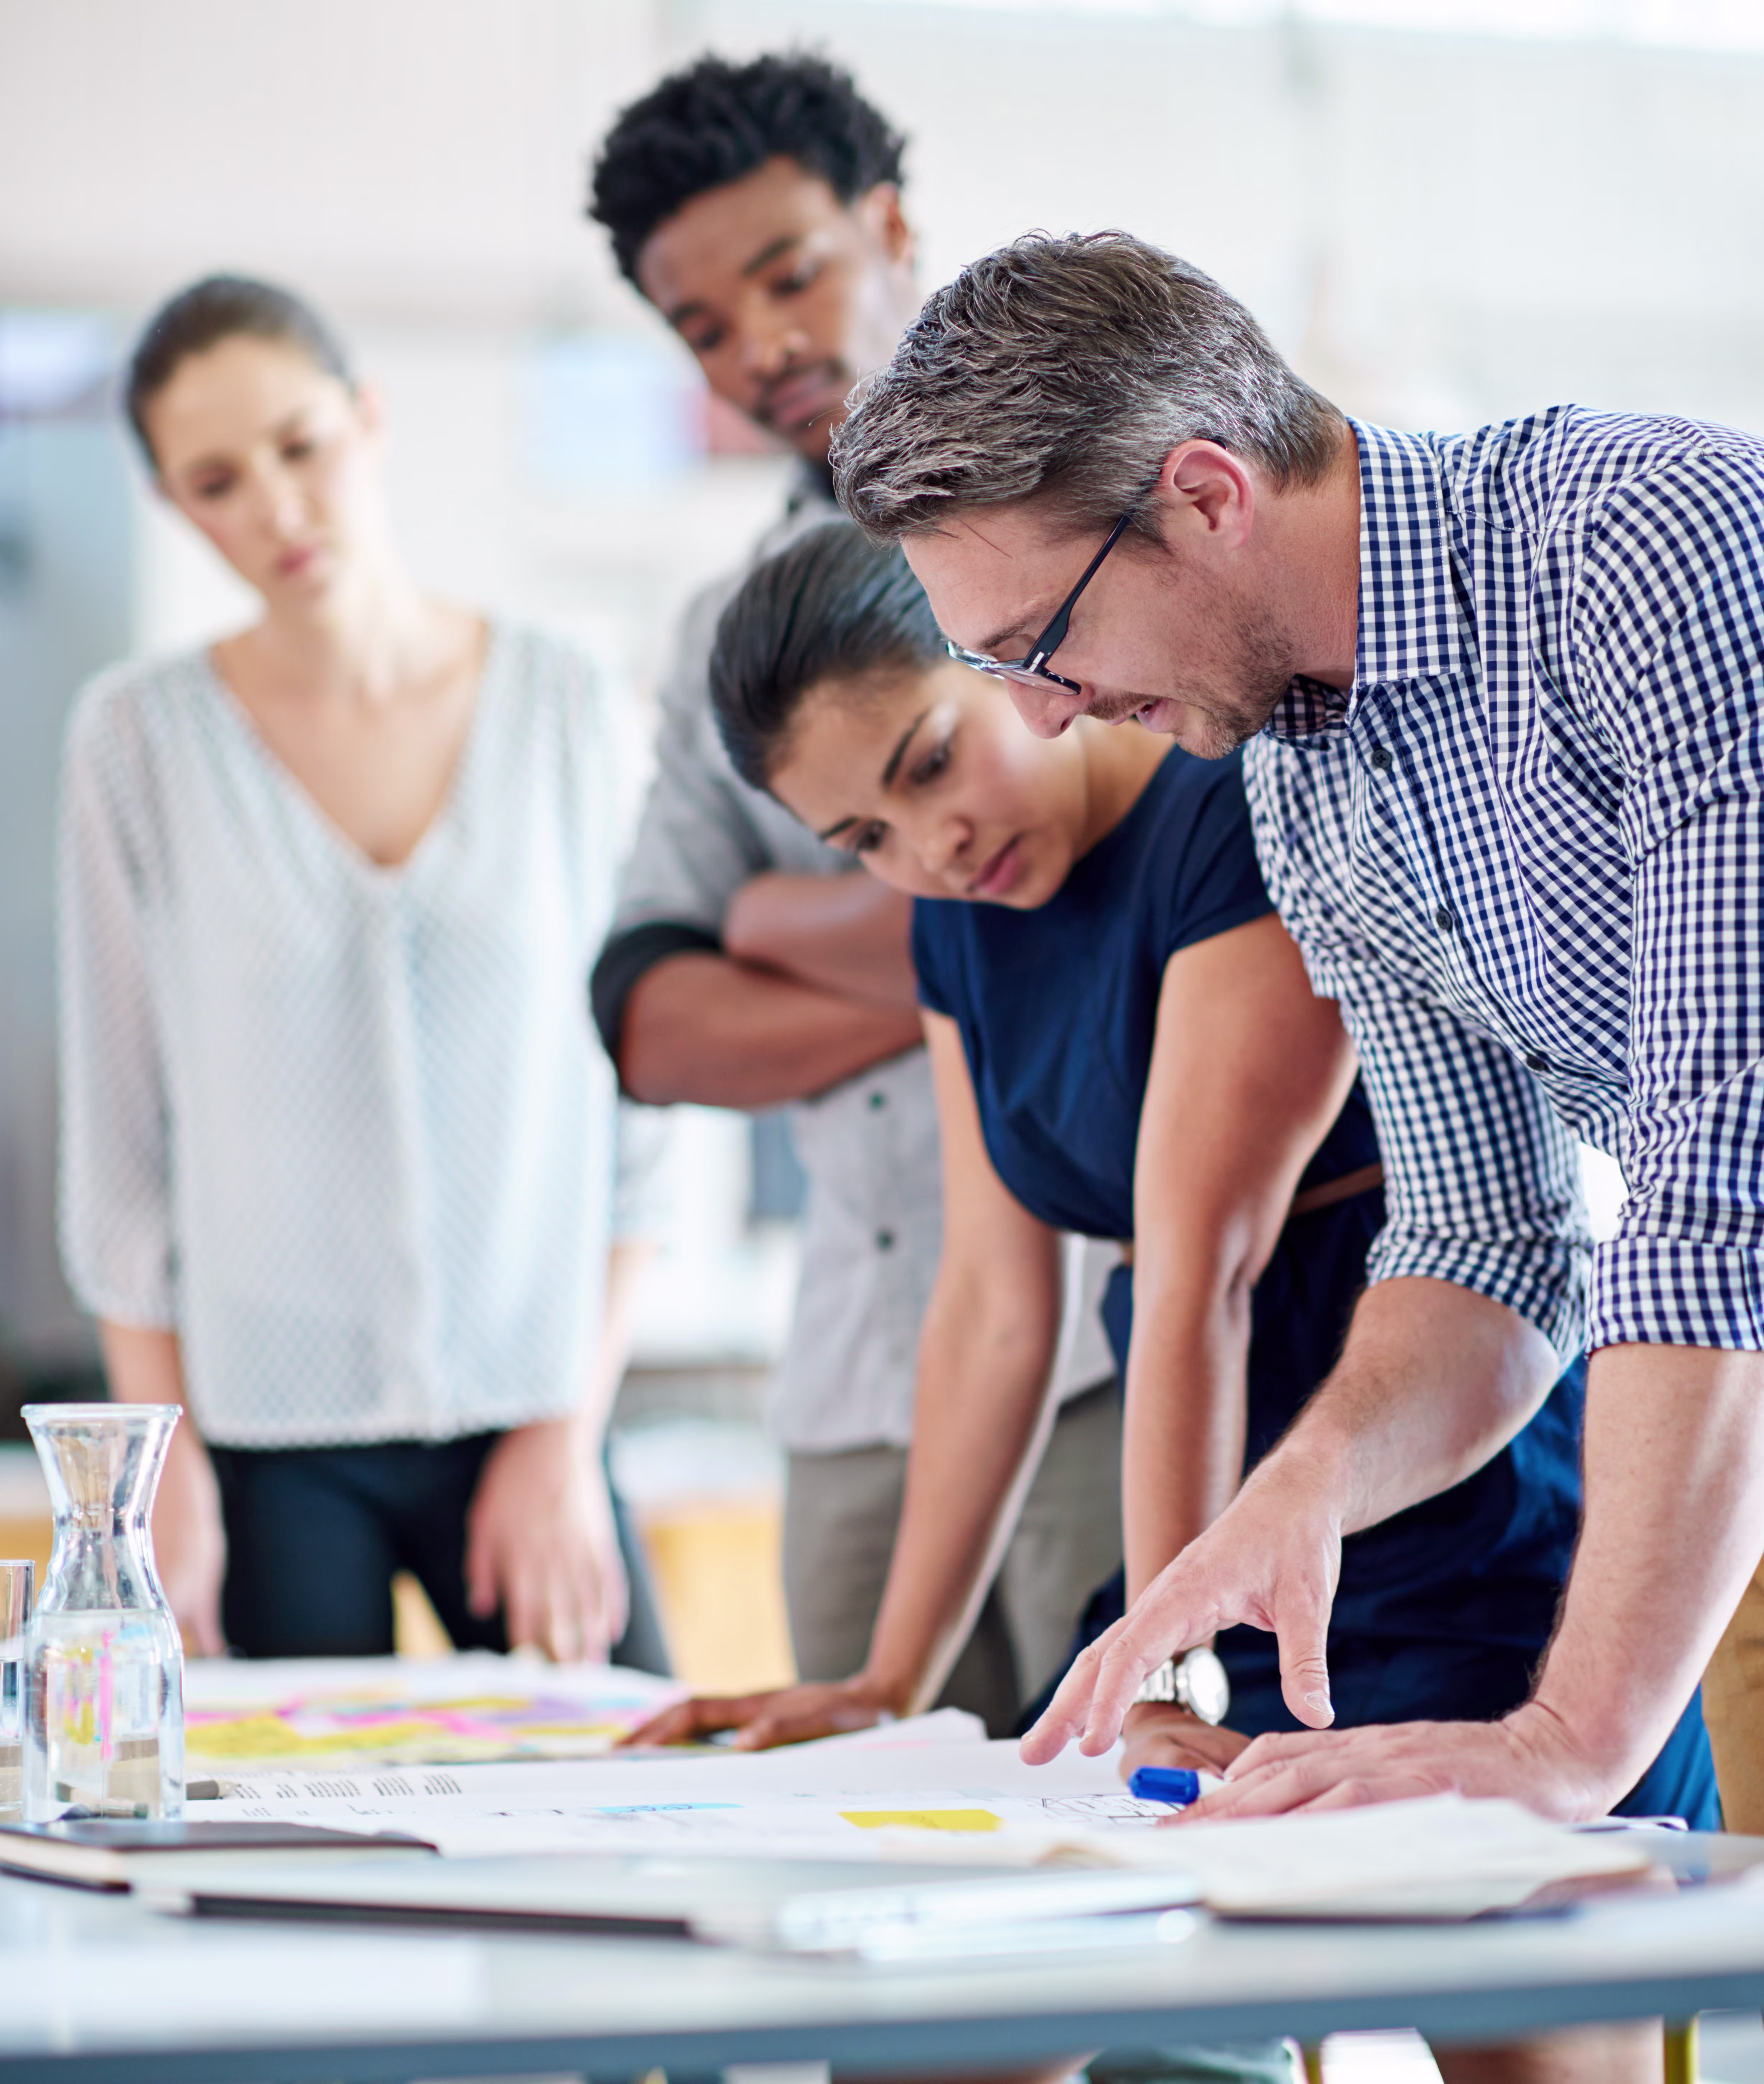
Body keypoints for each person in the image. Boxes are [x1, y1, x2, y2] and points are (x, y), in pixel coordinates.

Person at [640, 519, 1712, 2084]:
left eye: (931, 763)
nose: (926, 847)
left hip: (1427, 1475)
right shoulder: (964, 921)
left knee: (1524, 2042)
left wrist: (1167, 1670)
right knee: (955, 2023)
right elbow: (996, 1307)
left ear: (1011, 661)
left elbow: (1200, 1261)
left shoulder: (1233, 813)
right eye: (860, 837)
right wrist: (892, 1673)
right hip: (1197, 1528)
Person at [830, 231, 1764, 1842]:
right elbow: (1487, 1231)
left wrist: (1570, 1728)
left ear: (1202, 493)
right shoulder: (1299, 767)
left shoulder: (1638, 550)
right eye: (996, 672)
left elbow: (1719, 1171)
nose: (1042, 714)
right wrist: (1301, 1487)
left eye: (1042, 646)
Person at [585, 55, 1121, 1732]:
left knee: (1151, 1907)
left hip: (1122, 1351)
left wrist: (793, 923)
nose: (756, 348)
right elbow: (654, 1013)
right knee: (850, 1848)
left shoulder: (1089, 538)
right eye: (700, 326)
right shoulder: (720, 640)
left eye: (788, 274)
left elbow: (1132, 886)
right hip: (859, 1370)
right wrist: (1000, 945)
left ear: (887, 224)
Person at [58, 274, 667, 1669]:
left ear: (367, 419)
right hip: (266, 1438)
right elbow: (121, 1143)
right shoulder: (137, 741)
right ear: (175, 505)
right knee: (274, 1845)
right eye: (218, 479)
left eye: (300, 445)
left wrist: (566, 1428)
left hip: (536, 1405)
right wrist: (164, 1476)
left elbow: (645, 1108)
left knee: (636, 1801)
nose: (276, 506)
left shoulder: (568, 702)